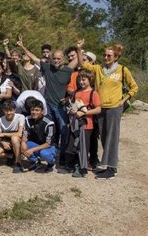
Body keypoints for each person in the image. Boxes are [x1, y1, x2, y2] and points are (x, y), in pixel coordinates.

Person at [78, 41, 138, 179]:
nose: (106, 58)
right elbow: (83, 65)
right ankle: (109, 165)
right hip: (101, 108)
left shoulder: (122, 70)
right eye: (104, 55)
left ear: (116, 57)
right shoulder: (98, 68)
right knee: (104, 137)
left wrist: (123, 100)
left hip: (114, 108)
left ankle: (111, 168)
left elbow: (134, 87)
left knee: (112, 137)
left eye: (109, 56)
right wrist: (79, 48)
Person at [16, 35, 77, 167]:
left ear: (63, 59)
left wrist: (79, 48)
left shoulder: (68, 70)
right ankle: (48, 154)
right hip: (48, 106)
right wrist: (22, 47)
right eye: (54, 58)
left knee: (63, 131)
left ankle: (63, 157)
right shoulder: (47, 68)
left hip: (61, 107)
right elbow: (33, 58)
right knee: (50, 131)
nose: (56, 60)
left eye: (58, 58)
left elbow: (77, 61)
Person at [65, 69, 101, 177]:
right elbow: (74, 105)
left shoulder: (93, 93)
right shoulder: (77, 92)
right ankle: (75, 165)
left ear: (90, 80)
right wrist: (72, 110)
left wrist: (84, 113)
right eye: (80, 79)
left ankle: (83, 168)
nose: (81, 82)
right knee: (74, 145)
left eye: (84, 79)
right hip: (74, 123)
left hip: (86, 124)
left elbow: (98, 109)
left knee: (83, 147)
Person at [21, 101, 57, 173]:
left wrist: (32, 150)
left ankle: (51, 163)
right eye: (32, 110)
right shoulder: (28, 119)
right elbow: (25, 135)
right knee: (21, 144)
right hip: (36, 144)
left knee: (44, 154)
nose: (34, 112)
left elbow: (48, 143)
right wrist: (23, 143)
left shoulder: (49, 123)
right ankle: (35, 161)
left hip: (48, 147)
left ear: (42, 111)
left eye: (37, 110)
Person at [0, 100, 26, 173]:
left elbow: (19, 134)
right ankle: (11, 156)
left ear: (14, 110)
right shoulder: (0, 120)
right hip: (6, 142)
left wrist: (5, 134)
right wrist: (3, 143)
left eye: (10, 110)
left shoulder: (20, 117)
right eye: (6, 110)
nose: (8, 113)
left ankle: (18, 163)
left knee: (14, 138)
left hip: (17, 141)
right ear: (3, 110)